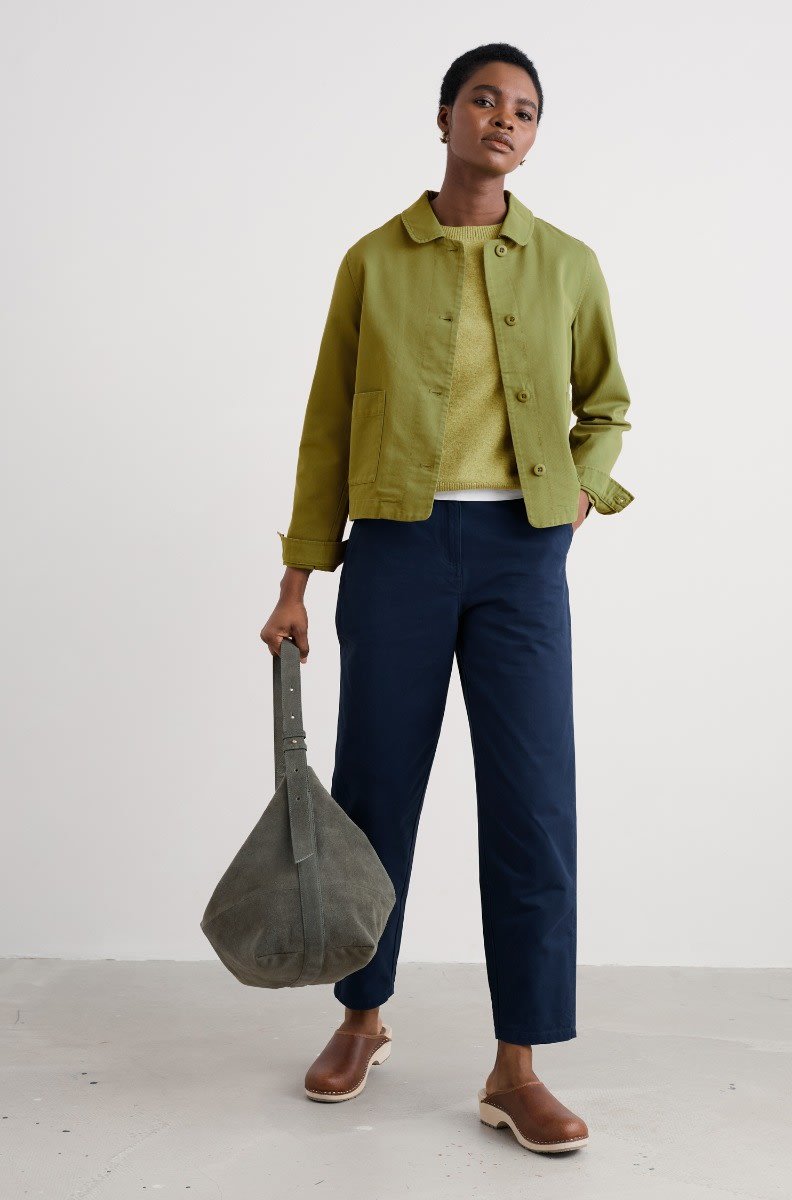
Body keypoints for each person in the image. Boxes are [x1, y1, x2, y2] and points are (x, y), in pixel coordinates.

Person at [260, 41, 633, 1155]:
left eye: (523, 109)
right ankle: (360, 1018)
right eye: (483, 99)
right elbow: (327, 426)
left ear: (533, 134)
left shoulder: (566, 263)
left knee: (533, 805)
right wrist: (296, 579)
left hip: (521, 556)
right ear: (444, 117)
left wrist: (575, 500)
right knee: (376, 792)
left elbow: (607, 406)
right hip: (396, 549)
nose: (502, 119)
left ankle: (518, 1066)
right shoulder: (374, 261)